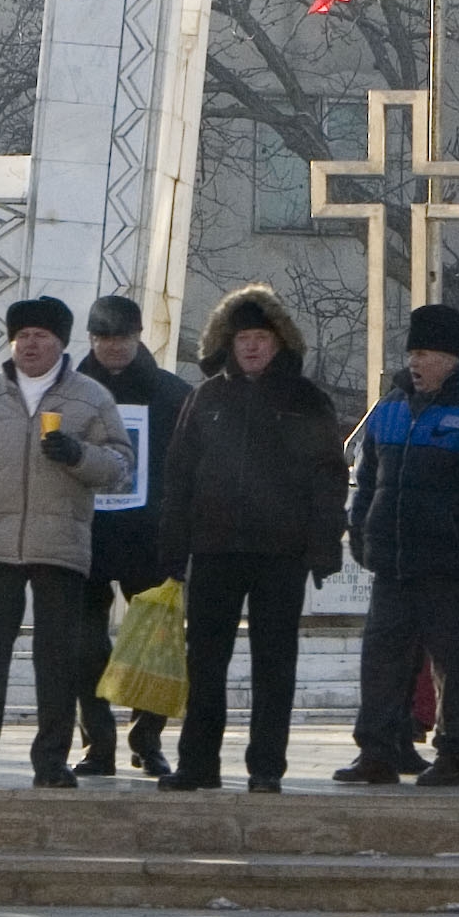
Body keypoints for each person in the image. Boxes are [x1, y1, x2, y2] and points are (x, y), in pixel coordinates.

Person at [0, 296, 133, 787]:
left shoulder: (90, 396)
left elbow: (121, 466)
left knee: (56, 660)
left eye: (41, 335)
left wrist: (78, 454)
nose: (30, 343)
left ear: (62, 343)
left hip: (60, 545)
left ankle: (51, 762)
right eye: (22, 335)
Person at [154, 285, 346, 792]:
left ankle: (266, 767)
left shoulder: (307, 400)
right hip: (214, 550)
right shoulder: (206, 398)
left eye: (261, 337)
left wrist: (324, 546)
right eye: (243, 339)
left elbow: (329, 477)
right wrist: (174, 548)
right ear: (228, 344)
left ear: (280, 341)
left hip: (280, 552)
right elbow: (178, 476)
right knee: (205, 662)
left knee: (275, 664)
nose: (252, 347)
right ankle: (197, 764)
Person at [335, 304, 459, 787]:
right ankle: (376, 751)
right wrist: (359, 528)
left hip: (450, 565)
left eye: (426, 353)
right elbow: (367, 474)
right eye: (412, 352)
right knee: (380, 659)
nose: (415, 363)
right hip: (393, 564)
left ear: (451, 359)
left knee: (452, 662)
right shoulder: (391, 406)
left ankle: (454, 753)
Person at [72, 293, 190, 780]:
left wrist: (180, 535)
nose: (113, 347)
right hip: (85, 535)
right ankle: (97, 743)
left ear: (139, 337)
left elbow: (188, 470)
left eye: (122, 337)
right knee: (84, 646)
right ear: (91, 340)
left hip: (150, 538)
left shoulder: (172, 394)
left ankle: (148, 738)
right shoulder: (70, 392)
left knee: (155, 644)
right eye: (103, 338)